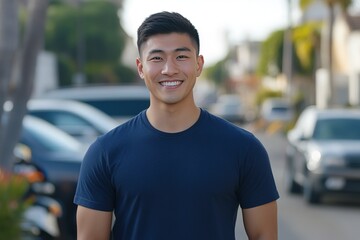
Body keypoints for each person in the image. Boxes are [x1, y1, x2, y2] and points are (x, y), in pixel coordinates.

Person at [74, 11, 279, 240]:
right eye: (157, 58)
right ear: (141, 68)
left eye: (181, 57)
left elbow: (264, 235)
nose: (169, 69)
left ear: (199, 65)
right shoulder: (104, 152)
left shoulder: (244, 149)